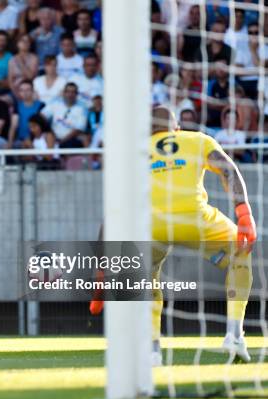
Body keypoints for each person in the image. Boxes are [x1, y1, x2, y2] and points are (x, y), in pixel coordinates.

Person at [90, 106, 256, 366]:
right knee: (240, 252)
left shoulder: (135, 152)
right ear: (177, 127)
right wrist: (243, 212)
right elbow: (228, 171)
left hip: (152, 226)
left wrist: (101, 271)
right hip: (196, 220)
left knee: (147, 277)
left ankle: (153, 349)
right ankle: (234, 334)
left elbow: (113, 210)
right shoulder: (197, 139)